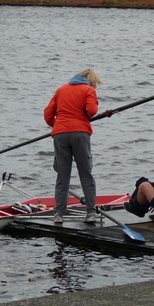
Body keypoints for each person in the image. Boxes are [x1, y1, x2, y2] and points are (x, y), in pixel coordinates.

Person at [44, 68, 103, 224]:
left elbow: (48, 114)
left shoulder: (60, 90)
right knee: (85, 173)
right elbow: (92, 111)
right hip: (80, 133)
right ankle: (90, 213)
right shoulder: (88, 90)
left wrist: (58, 126)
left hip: (60, 134)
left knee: (62, 176)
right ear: (91, 81)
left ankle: (58, 214)